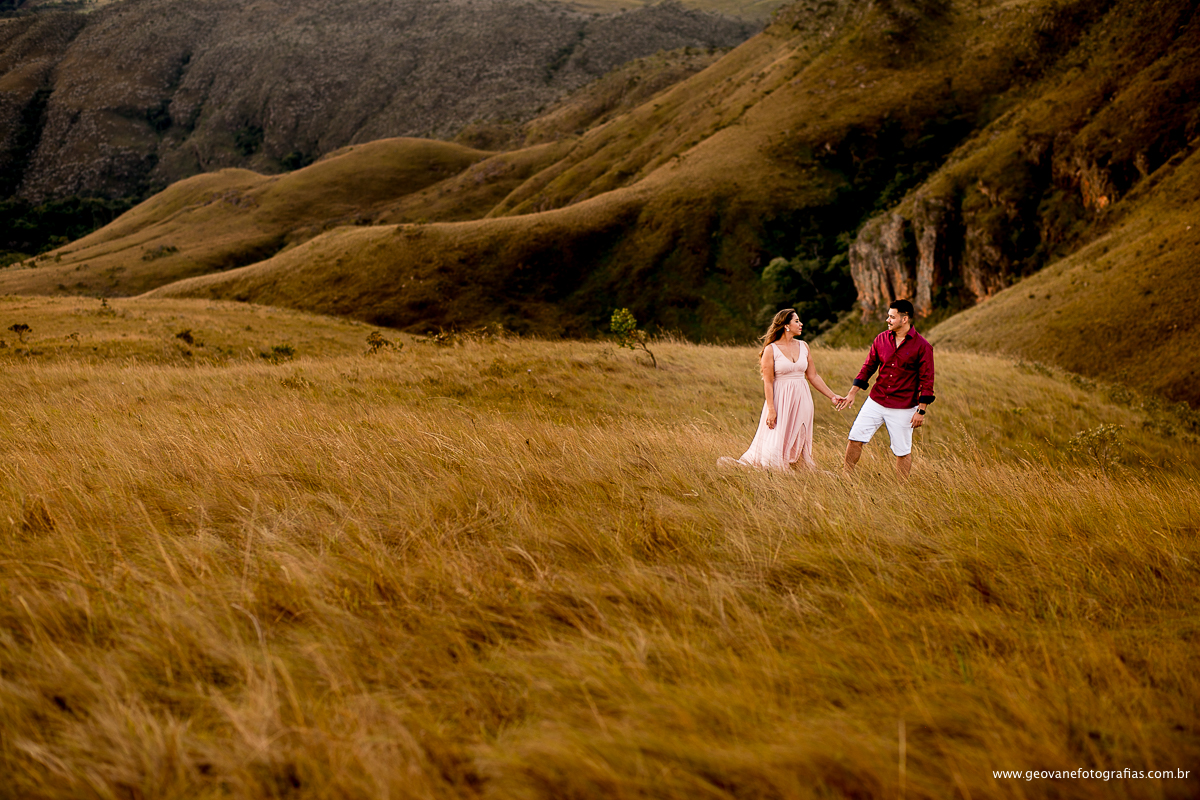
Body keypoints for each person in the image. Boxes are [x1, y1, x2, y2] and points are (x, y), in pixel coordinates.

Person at [722, 308, 844, 470]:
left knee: (799, 434)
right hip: (780, 400)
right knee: (777, 436)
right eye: (796, 321)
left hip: (802, 399)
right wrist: (771, 409)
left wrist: (832, 396)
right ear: (786, 325)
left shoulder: (804, 346)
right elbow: (768, 382)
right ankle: (774, 468)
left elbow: (813, 376)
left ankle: (797, 467)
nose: (801, 324)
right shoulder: (771, 349)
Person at [834, 299, 935, 479]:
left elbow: (927, 380)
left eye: (892, 317)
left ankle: (901, 488)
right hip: (876, 400)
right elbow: (868, 367)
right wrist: (852, 393)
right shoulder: (881, 339)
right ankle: (845, 477)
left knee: (902, 451)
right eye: (888, 316)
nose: (888, 320)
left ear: (904, 319)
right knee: (855, 437)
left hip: (903, 406)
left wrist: (921, 410)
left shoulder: (923, 346)